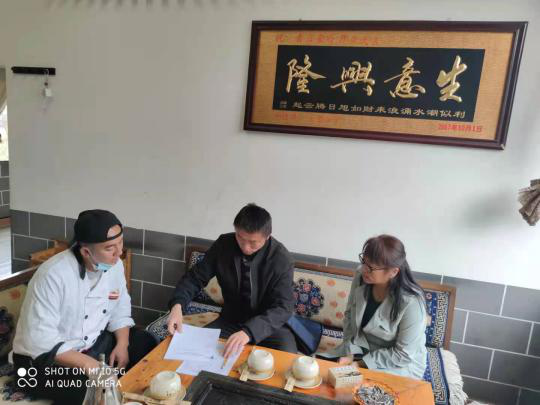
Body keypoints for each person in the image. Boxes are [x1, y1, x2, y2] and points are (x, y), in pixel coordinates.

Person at [12, 209, 157, 404]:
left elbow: (119, 307)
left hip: (91, 347)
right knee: (91, 391)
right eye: (110, 248)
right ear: (86, 252)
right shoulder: (53, 275)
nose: (119, 253)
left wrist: (122, 344)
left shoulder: (114, 265)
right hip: (43, 363)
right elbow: (40, 340)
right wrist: (93, 367)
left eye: (121, 243)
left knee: (146, 342)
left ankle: (119, 387)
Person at [167, 203, 297, 358]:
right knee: (197, 351)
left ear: (267, 236)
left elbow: (283, 307)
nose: (245, 247)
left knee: (288, 357)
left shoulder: (281, 259)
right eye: (240, 238)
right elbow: (195, 277)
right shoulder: (224, 245)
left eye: (253, 242)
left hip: (269, 326)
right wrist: (177, 305)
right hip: (231, 321)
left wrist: (249, 332)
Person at [319, 235, 427, 379]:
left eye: (370, 267)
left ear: (393, 272)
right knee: (318, 369)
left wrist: (361, 364)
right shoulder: (361, 276)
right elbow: (349, 316)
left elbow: (403, 354)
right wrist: (350, 353)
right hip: (361, 350)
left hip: (397, 364)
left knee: (364, 387)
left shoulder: (412, 303)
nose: (364, 269)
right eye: (364, 261)